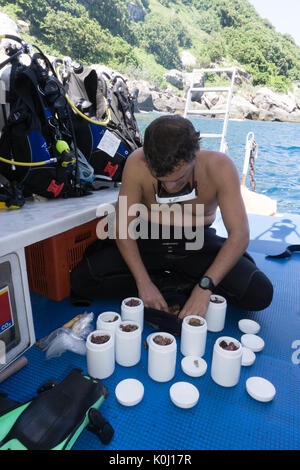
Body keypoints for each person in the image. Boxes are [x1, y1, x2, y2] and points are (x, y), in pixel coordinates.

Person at [71, 115, 273, 318]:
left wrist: (205, 286)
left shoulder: (220, 167)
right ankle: (172, 285)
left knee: (259, 293)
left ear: (196, 154)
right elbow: (123, 229)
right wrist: (143, 282)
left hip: (197, 245)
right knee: (82, 280)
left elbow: (239, 235)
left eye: (179, 179)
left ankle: (184, 284)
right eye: (161, 180)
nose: (169, 187)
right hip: (147, 242)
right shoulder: (136, 162)